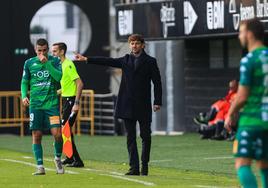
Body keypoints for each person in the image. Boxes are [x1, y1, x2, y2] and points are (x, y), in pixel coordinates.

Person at [75, 34, 162, 176]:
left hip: (143, 105)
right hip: (127, 104)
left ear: (142, 45)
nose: (134, 46)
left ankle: (144, 165)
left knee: (146, 136)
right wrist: (87, 59)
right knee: (130, 137)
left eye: (137, 43)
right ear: (130, 45)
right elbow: (108, 61)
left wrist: (157, 101)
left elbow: (157, 83)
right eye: (132, 43)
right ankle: (134, 168)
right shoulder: (125, 60)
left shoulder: (150, 61)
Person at [225, 18, 268, 188]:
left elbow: (242, 97)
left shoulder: (248, 61)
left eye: (241, 31)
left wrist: (230, 113)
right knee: (265, 165)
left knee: (242, 164)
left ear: (249, 34)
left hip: (252, 120)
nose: (239, 36)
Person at [21, 38, 64, 175]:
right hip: (36, 105)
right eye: (39, 51)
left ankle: (57, 158)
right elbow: (24, 82)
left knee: (57, 134)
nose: (42, 53)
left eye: (45, 50)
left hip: (51, 105)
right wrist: (23, 96)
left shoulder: (55, 61)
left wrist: (47, 65)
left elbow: (58, 78)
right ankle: (40, 166)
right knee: (37, 134)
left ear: (47, 49)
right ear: (35, 49)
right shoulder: (29, 63)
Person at [51, 42, 84, 167]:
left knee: (65, 130)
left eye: (55, 51)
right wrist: (56, 92)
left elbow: (80, 84)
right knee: (67, 130)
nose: (52, 53)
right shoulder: (61, 65)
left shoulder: (68, 65)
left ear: (62, 52)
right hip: (65, 100)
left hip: (71, 101)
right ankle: (70, 157)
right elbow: (66, 87)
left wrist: (76, 103)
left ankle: (77, 160)